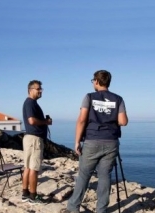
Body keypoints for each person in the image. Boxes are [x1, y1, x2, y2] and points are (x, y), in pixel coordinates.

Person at [63, 70, 128, 213]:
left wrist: (77, 142)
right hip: (111, 141)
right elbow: (123, 121)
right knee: (105, 176)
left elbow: (82, 120)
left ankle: (73, 207)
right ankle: (101, 209)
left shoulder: (89, 97)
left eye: (93, 80)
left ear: (97, 81)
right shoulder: (118, 99)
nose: (93, 83)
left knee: (84, 174)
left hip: (92, 139)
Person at [21, 80, 52, 204]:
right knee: (34, 168)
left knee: (28, 167)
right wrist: (46, 122)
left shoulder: (30, 103)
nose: (40, 91)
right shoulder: (30, 103)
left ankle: (25, 194)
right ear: (30, 90)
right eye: (38, 89)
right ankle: (33, 196)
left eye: (41, 89)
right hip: (34, 139)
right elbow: (32, 121)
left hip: (30, 138)